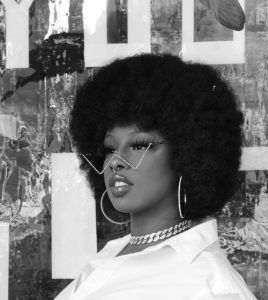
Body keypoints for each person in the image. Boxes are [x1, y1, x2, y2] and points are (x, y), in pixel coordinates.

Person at [55, 54, 257, 299]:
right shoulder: (114, 253)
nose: (116, 161)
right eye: (109, 149)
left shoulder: (209, 288)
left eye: (139, 145)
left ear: (188, 153)